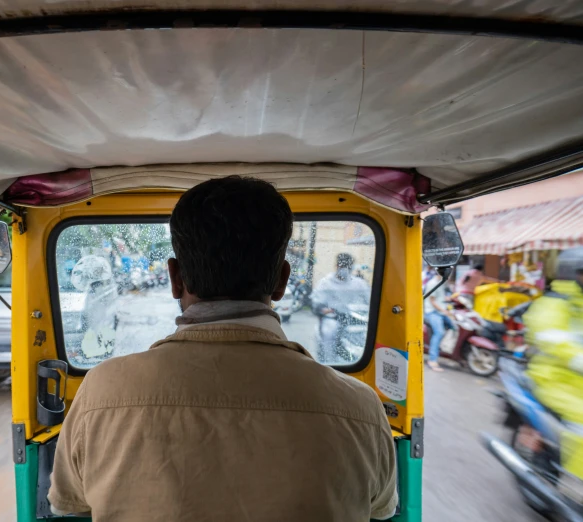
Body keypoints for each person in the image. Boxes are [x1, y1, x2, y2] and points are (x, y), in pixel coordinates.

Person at [49, 176, 397, 521]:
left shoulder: (101, 393)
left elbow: (69, 504)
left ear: (175, 278)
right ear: (281, 281)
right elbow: (382, 510)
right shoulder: (359, 407)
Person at [523, 247, 583, 483]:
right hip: (552, 379)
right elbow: (550, 338)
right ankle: (575, 489)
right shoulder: (552, 304)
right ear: (572, 273)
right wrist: (577, 357)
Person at [311, 253, 371, 363]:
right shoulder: (326, 283)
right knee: (329, 331)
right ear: (337, 266)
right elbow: (317, 304)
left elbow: (370, 301)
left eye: (347, 267)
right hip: (333, 319)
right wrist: (327, 310)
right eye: (342, 266)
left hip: (356, 319)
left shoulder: (359, 284)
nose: (344, 269)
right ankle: (329, 362)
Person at [424, 271, 454, 372]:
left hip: (441, 311)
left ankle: (442, 346)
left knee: (453, 326)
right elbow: (432, 301)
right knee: (439, 333)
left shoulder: (443, 282)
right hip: (432, 312)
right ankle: (432, 360)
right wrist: (444, 311)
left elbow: (441, 297)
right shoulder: (433, 283)